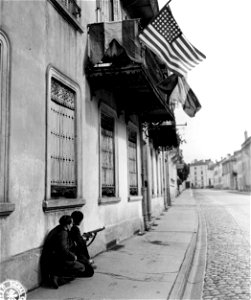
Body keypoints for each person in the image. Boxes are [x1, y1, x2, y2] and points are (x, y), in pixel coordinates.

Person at [40, 215, 94, 289]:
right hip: (55, 260)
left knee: (82, 264)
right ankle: (59, 278)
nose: (72, 225)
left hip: (51, 259)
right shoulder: (63, 233)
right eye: (71, 224)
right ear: (67, 224)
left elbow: (62, 246)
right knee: (82, 268)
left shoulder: (58, 229)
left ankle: (58, 275)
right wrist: (73, 256)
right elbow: (63, 250)